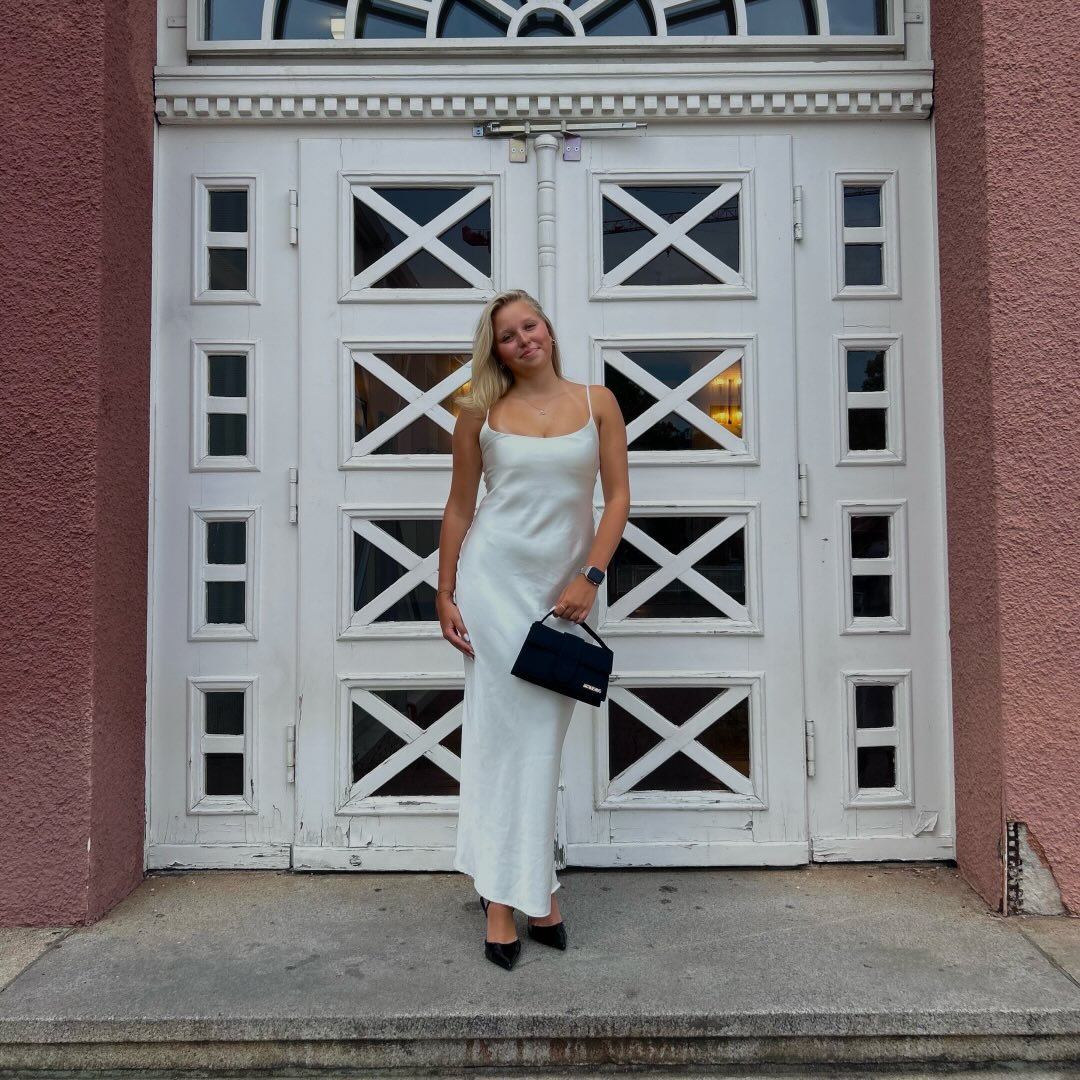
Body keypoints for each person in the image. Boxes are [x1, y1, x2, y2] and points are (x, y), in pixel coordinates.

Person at [437, 288, 630, 970]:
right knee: (498, 740)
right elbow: (460, 507)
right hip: (493, 585)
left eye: (531, 325)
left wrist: (591, 576)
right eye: (509, 335)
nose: (525, 340)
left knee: (541, 742)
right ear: (496, 350)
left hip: (565, 596)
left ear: (547, 327)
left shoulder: (598, 402)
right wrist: (445, 591)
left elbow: (618, 498)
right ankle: (507, 900)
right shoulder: (477, 411)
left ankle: (532, 884)